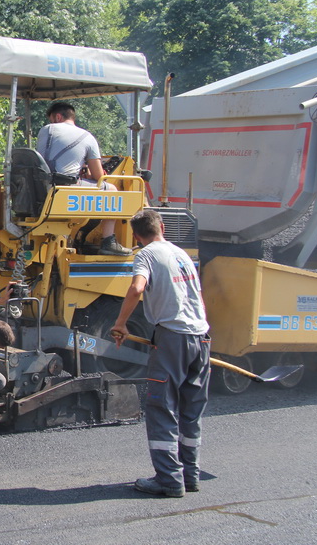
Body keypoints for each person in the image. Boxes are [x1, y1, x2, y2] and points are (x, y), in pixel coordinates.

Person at [111, 209, 211, 497]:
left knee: (162, 406)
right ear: (162, 227)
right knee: (191, 411)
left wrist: (121, 323)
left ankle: (169, 479)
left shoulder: (146, 255)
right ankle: (190, 475)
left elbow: (137, 288)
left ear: (135, 236)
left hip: (172, 339)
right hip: (201, 337)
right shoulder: (182, 255)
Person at [37, 101, 132, 256]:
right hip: (66, 189)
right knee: (112, 190)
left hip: (42, 186)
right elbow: (99, 176)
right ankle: (108, 241)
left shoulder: (46, 130)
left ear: (58, 117)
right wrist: (88, 173)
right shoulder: (88, 137)